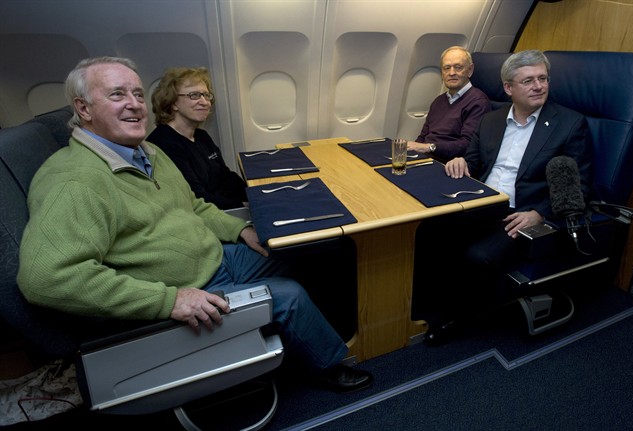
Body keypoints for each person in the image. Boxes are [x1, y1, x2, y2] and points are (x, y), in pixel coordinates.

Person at [17, 56, 372, 393]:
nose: (135, 104)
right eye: (117, 94)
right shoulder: (74, 181)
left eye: (138, 93)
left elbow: (196, 206)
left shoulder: (147, 153)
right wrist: (168, 300)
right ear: (83, 109)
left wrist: (241, 230)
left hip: (217, 258)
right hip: (185, 287)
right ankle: (327, 365)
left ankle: (322, 334)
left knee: (315, 247)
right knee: (287, 295)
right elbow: (46, 278)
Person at [415, 50, 592, 345]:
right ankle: (423, 302)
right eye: (528, 81)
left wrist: (539, 213)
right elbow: (472, 160)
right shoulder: (492, 120)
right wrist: (461, 163)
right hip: (480, 200)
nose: (538, 86)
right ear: (509, 88)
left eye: (543, 78)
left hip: (518, 212)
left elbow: (580, 187)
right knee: (427, 232)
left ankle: (456, 317)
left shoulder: (570, 124)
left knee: (477, 255)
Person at [147, 67, 247, 210]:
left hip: (227, 204)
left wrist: (254, 194)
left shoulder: (201, 136)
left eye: (206, 95)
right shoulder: (163, 144)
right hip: (209, 214)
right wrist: (243, 205)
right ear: (173, 102)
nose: (205, 102)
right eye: (194, 95)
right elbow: (197, 198)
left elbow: (226, 176)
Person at [407, 46, 491, 162]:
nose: (451, 73)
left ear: (470, 70)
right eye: (446, 68)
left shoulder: (478, 102)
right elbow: (422, 137)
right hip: (425, 160)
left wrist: (429, 147)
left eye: (458, 67)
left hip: (448, 165)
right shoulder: (438, 101)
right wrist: (411, 153)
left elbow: (467, 145)